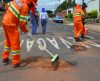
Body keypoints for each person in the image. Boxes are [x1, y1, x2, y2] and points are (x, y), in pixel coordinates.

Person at [1, 0, 37, 68]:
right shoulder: (25, 7)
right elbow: (22, 24)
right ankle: (16, 62)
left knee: (8, 41)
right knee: (15, 43)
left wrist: (9, 14)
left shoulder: (17, 1)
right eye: (33, 4)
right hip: (11, 24)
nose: (32, 6)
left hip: (4, 21)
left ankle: (5, 57)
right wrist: (27, 32)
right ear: (31, 3)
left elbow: (7, 5)